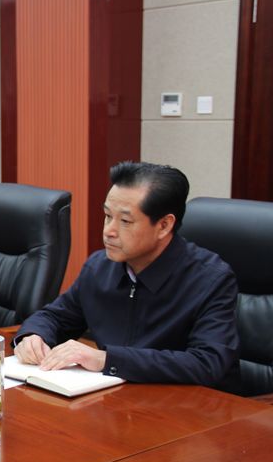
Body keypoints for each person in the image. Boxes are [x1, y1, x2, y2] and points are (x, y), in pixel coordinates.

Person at [13, 161, 239, 387]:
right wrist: (34, 336)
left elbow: (209, 363)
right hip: (111, 396)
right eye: (107, 216)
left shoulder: (210, 279)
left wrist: (107, 360)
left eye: (125, 221)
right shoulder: (99, 267)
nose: (109, 231)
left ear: (164, 226)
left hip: (182, 403)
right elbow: (55, 317)